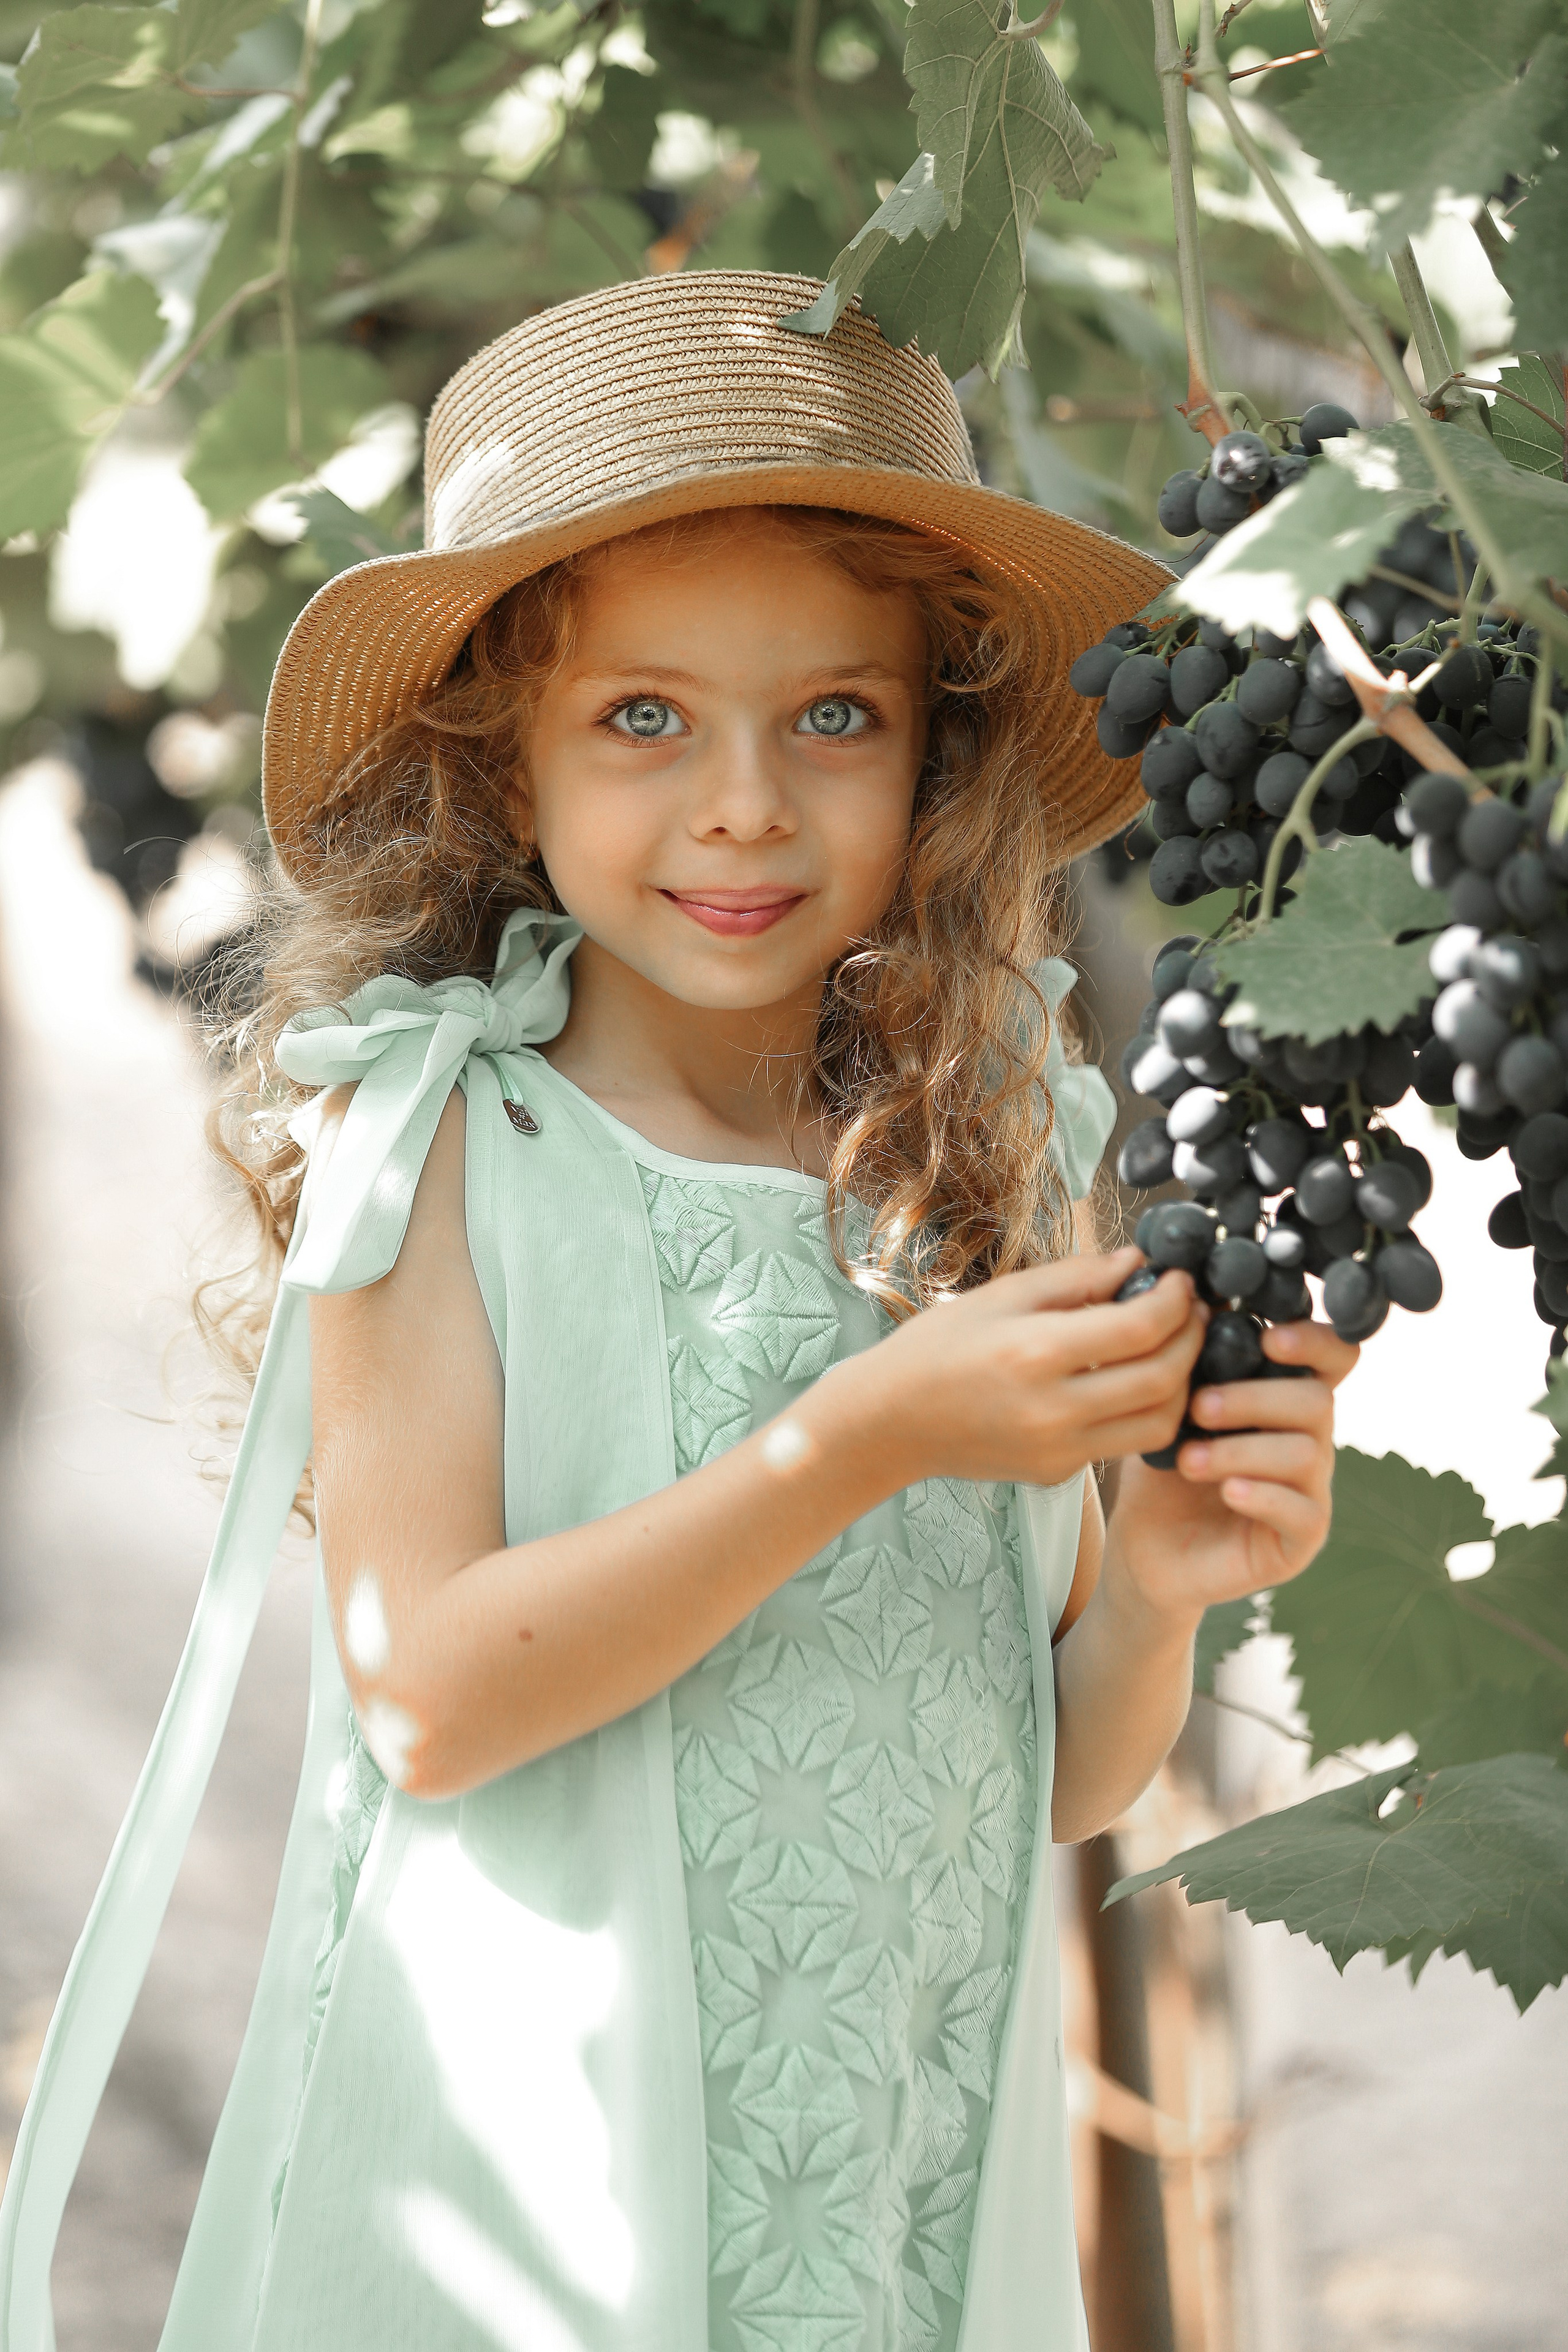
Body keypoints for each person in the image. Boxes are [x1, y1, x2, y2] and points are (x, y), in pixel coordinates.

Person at [0, 271, 1352, 2352]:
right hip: (543, 2195)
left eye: (837, 717)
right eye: (645, 717)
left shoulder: (983, 1150)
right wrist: (861, 1438)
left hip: (887, 2184)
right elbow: (431, 1687)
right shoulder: (449, 1141)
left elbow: (1055, 1777)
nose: (743, 804)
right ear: (498, 759)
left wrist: (1156, 1591)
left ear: (940, 757)